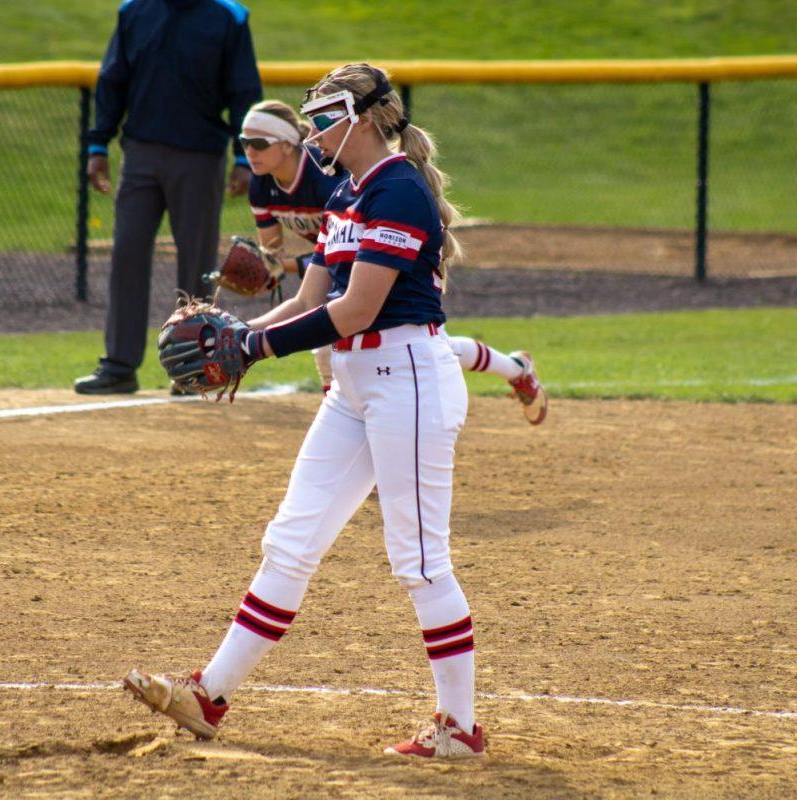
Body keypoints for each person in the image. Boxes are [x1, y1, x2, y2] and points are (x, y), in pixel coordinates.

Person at [124, 64, 491, 759]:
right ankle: (210, 696)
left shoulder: (399, 189)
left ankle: (460, 729)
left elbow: (356, 309)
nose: (313, 128)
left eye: (324, 115)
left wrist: (254, 350)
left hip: (408, 378)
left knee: (418, 561)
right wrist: (238, 334)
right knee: (290, 540)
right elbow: (308, 299)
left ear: (362, 116)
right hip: (357, 385)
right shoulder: (349, 195)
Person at [239, 100, 548, 422]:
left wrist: (284, 268)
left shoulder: (326, 176)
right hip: (347, 266)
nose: (250, 151)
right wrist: (267, 271)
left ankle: (516, 369)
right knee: (427, 349)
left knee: (400, 346)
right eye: (244, 143)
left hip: (390, 257)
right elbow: (277, 255)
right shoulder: (261, 185)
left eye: (259, 143)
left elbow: (343, 253)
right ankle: (516, 369)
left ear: (288, 143)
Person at [74, 0, 263, 395]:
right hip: (140, 153)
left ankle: (193, 369)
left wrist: (244, 156)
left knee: (195, 262)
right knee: (126, 253)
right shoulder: (134, 11)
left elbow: (244, 91)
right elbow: (113, 81)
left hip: (200, 157)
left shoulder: (229, 16)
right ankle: (119, 365)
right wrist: (97, 146)